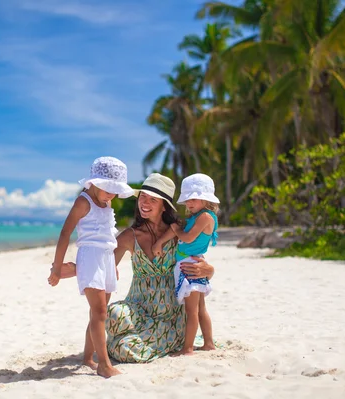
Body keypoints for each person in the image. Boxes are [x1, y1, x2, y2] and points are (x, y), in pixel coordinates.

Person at [58, 173, 216, 362]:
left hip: (171, 314)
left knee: (122, 350)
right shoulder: (129, 236)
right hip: (138, 307)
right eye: (142, 197)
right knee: (111, 314)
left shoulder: (178, 232)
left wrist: (210, 270)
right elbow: (101, 264)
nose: (144, 202)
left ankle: (139, 340)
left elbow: (196, 259)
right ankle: (122, 342)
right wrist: (70, 269)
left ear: (164, 205)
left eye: (152, 200)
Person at [47, 156, 133, 378]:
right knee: (100, 311)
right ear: (93, 182)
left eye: (115, 191)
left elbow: (107, 235)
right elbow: (65, 233)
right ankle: (104, 365)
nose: (111, 194)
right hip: (90, 257)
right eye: (107, 189)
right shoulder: (83, 202)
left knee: (98, 313)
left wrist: (112, 264)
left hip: (106, 258)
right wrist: (56, 267)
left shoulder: (107, 202)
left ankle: (87, 357)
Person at [152, 173, 220, 356]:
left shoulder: (206, 217)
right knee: (199, 308)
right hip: (190, 262)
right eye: (187, 200)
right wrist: (159, 242)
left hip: (190, 265)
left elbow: (187, 238)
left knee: (192, 310)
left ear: (205, 199)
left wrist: (175, 229)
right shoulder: (196, 216)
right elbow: (178, 233)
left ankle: (188, 348)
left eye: (194, 199)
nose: (189, 203)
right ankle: (208, 343)